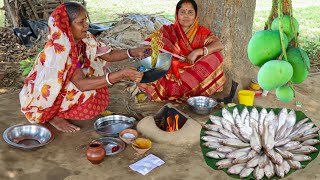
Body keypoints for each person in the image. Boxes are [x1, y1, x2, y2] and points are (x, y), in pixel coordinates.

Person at [19, 2, 149, 133]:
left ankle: (64, 109)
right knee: (89, 87)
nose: (86, 25)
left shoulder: (85, 39)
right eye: (81, 22)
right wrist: (121, 74)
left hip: (71, 81)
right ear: (67, 26)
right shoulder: (61, 51)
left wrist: (134, 51)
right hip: (49, 94)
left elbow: (108, 55)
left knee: (95, 75)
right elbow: (81, 84)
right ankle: (55, 116)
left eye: (86, 20)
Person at [139, 0, 226, 102]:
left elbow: (219, 45)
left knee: (216, 56)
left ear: (195, 15)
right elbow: (148, 44)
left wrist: (196, 52)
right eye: (182, 12)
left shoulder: (201, 31)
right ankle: (163, 92)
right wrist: (147, 53)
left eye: (190, 12)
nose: (186, 16)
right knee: (148, 62)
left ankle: (193, 92)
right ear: (177, 14)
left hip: (192, 69)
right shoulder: (167, 30)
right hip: (170, 68)